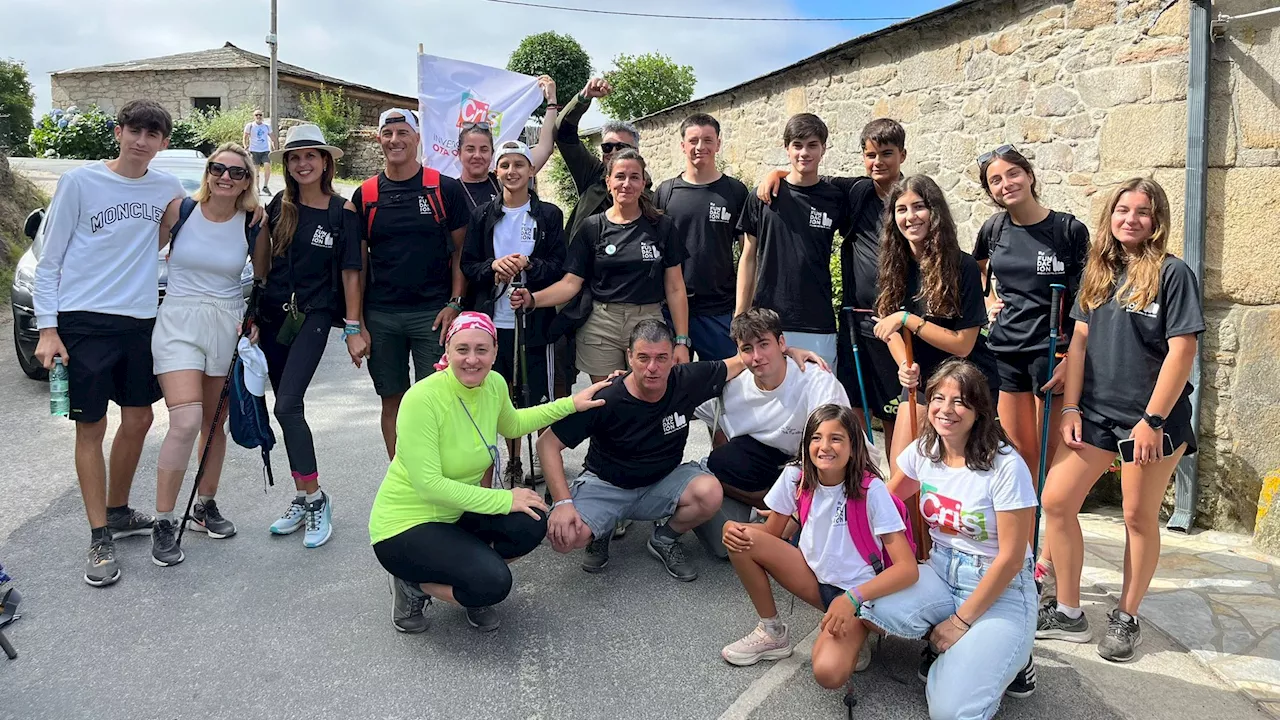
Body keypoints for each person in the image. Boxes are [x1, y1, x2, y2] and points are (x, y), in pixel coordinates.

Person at [1037, 178, 1202, 663]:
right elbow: (1081, 345)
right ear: (1110, 215)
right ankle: (1068, 612)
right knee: (1057, 500)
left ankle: (1127, 617)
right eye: (1123, 210)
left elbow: (1183, 349)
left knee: (1136, 516)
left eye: (1143, 212)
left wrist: (1153, 419)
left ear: (1157, 221)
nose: (1131, 219)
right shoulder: (1098, 272)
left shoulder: (1173, 274)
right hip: (1097, 414)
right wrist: (1070, 407)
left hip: (1151, 420)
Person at [369, 312, 611, 633]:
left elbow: (513, 424)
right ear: (448, 350)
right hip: (405, 525)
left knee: (533, 521)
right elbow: (428, 485)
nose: (472, 359)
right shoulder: (422, 399)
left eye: (482, 350)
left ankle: (467, 575)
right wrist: (503, 500)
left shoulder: (494, 383)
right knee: (494, 583)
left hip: (456, 513)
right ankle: (412, 584)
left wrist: (571, 403)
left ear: (495, 351)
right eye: (462, 349)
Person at [538, 319, 825, 581]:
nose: (653, 367)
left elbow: (747, 359)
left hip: (662, 481)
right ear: (629, 357)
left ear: (673, 358)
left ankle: (663, 538)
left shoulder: (688, 379)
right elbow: (547, 443)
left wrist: (789, 351)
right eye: (643, 358)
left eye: (661, 358)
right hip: (608, 484)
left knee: (709, 490)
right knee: (565, 539)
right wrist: (563, 503)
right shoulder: (607, 396)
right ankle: (601, 528)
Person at [33, 99, 187, 587]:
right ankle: (99, 534)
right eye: (135, 131)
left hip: (141, 320)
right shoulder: (80, 182)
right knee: (91, 428)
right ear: (119, 132)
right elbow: (50, 260)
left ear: (163, 143)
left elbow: (170, 237)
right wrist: (48, 328)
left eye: (153, 134)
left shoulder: (167, 187)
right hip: (84, 322)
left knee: (140, 418)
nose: (142, 141)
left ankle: (118, 511)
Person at [867, 359, 1040, 718]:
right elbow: (886, 500)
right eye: (938, 398)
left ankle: (1006, 655)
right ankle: (962, 646)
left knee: (950, 710)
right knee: (871, 606)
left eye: (959, 401)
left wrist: (960, 622)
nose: (946, 410)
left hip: (1001, 588)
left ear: (979, 410)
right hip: (943, 571)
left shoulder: (1005, 465)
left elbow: (1010, 557)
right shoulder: (926, 450)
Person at [720, 404, 917, 692]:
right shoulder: (796, 477)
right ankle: (772, 632)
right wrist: (733, 531)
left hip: (857, 595)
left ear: (853, 445)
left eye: (836, 438)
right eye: (816, 437)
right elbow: (772, 534)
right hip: (814, 580)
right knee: (739, 537)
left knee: (828, 673)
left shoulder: (871, 490)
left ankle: (857, 632)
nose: (825, 446)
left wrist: (851, 599)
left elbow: (908, 569)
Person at [757, 118, 909, 442]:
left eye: (886, 154)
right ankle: (854, 475)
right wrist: (776, 174)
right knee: (849, 406)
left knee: (897, 411)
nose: (878, 162)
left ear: (903, 156)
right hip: (854, 318)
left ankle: (893, 488)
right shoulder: (853, 191)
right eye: (871, 155)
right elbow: (807, 179)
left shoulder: (914, 198)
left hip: (894, 321)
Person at [149, 142, 264, 566]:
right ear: (208, 172)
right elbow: (138, 254)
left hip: (226, 324)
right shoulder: (180, 211)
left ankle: (204, 505)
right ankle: (164, 520)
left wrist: (255, 323)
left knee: (215, 424)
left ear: (247, 181)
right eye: (219, 168)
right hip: (178, 320)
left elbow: (264, 280)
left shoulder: (252, 223)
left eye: (237, 173)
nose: (225, 178)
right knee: (185, 420)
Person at [255, 124, 364, 549]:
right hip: (272, 318)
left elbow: (352, 271)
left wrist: (353, 327)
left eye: (311, 157)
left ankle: (317, 499)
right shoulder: (277, 207)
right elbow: (262, 266)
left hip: (314, 316)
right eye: (295, 158)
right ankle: (303, 495)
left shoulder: (342, 211)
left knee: (286, 404)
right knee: (287, 412)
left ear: (326, 163)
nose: (303, 164)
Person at [349, 109, 470, 460]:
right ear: (379, 140)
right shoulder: (366, 194)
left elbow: (461, 250)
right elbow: (356, 265)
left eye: (403, 132)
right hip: (382, 315)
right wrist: (354, 325)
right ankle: (404, 482)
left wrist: (455, 302)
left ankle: (444, 480)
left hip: (432, 313)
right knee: (393, 401)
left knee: (438, 399)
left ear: (417, 139)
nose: (395, 140)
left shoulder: (443, 188)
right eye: (387, 133)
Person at [511, 149, 691, 380]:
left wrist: (682, 341)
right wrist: (533, 299)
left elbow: (675, 288)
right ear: (608, 182)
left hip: (648, 321)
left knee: (649, 396)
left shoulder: (662, 226)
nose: (626, 183)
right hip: (601, 324)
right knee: (607, 398)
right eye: (620, 176)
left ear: (644, 182)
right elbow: (570, 283)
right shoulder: (591, 227)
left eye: (634, 177)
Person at [871, 175, 1000, 471]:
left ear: (934, 212)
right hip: (920, 379)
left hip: (963, 383)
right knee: (902, 472)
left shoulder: (962, 266)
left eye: (919, 207)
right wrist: (905, 366)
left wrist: (909, 319)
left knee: (958, 470)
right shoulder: (893, 266)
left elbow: (963, 345)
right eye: (901, 210)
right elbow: (890, 330)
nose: (910, 217)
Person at [462, 140, 566, 488]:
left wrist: (528, 265)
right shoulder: (482, 215)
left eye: (519, 165)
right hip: (493, 322)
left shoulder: (549, 215)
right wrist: (494, 267)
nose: (512, 172)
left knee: (537, 396)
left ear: (531, 170)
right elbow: (469, 265)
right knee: (500, 394)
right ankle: (514, 460)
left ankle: (548, 466)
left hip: (534, 320)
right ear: (496, 171)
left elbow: (558, 265)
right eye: (505, 165)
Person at [695, 308, 871, 512]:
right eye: (747, 349)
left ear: (781, 343)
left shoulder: (816, 381)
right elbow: (693, 403)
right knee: (720, 462)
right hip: (774, 460)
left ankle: (804, 513)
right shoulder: (732, 387)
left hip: (830, 460)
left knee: (825, 451)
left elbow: (838, 445)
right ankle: (774, 509)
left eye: (764, 344)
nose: (757, 356)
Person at [735, 113, 850, 368]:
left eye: (812, 145)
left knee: (820, 402)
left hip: (818, 323)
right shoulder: (763, 196)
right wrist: (740, 316)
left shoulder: (835, 198)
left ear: (823, 149)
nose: (804, 153)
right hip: (767, 321)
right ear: (786, 148)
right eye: (797, 145)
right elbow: (748, 257)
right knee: (770, 400)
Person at [654, 113, 748, 362]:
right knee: (673, 389)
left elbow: (748, 255)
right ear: (683, 145)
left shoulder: (735, 191)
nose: (700, 147)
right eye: (693, 140)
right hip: (671, 311)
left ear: (718, 144)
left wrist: (743, 309)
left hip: (719, 310)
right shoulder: (665, 192)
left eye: (707, 140)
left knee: (726, 387)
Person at [457, 75, 559, 210]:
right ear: (459, 153)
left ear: (492, 153)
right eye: (470, 149)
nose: (477, 155)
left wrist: (552, 100)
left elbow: (545, 148)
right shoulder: (449, 191)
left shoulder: (506, 179)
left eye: (484, 149)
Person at [243, 109, 275, 194]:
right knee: (256, 170)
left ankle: (265, 186)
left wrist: (275, 146)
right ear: (254, 116)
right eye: (256, 115)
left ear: (262, 116)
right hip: (254, 150)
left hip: (265, 150)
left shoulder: (267, 126)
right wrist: (245, 145)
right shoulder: (250, 126)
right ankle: (257, 188)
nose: (258, 117)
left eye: (260, 115)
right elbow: (245, 137)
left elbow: (273, 137)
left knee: (267, 166)